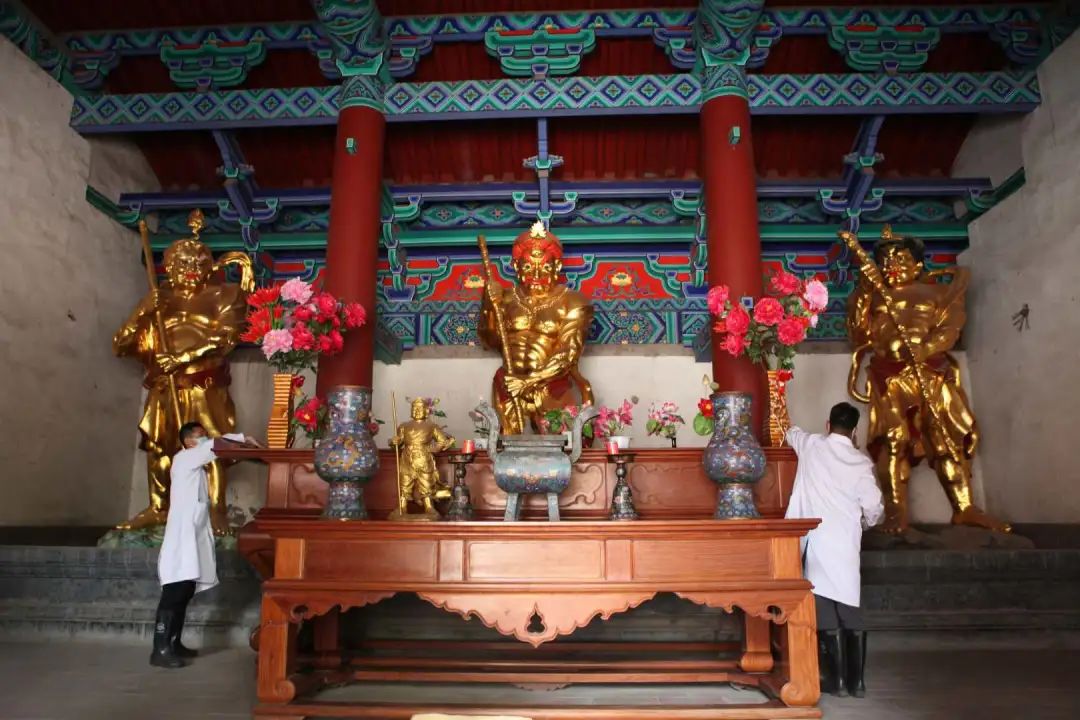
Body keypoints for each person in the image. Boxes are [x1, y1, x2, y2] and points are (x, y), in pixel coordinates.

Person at [785, 402, 884, 698]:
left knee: (824, 605)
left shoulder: (812, 445)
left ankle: (837, 682)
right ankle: (858, 682)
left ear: (828, 425)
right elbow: (874, 507)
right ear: (855, 431)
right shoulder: (861, 463)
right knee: (849, 604)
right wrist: (866, 522)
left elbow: (790, 432)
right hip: (846, 541)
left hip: (817, 539)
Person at [151, 422, 261, 668]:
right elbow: (216, 445)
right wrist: (244, 438)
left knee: (184, 592)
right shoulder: (185, 458)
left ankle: (174, 642)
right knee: (174, 593)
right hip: (181, 540)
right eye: (200, 436)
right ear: (189, 442)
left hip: (192, 538)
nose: (205, 439)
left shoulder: (197, 465)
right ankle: (160, 649)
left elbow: (217, 450)